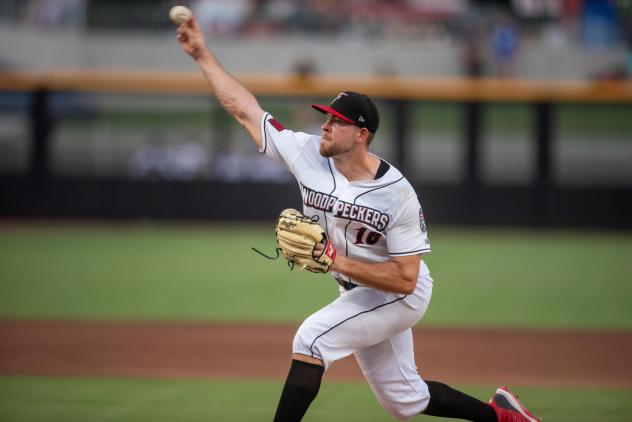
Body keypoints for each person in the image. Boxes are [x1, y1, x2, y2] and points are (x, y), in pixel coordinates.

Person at [174, 14, 541, 422]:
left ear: (362, 134)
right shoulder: (307, 153)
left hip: (401, 294)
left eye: (337, 122)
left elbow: (405, 277)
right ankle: (502, 417)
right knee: (404, 401)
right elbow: (245, 110)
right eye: (327, 117)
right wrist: (202, 54)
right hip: (357, 290)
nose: (326, 126)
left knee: (311, 339)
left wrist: (333, 258)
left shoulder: (397, 194)